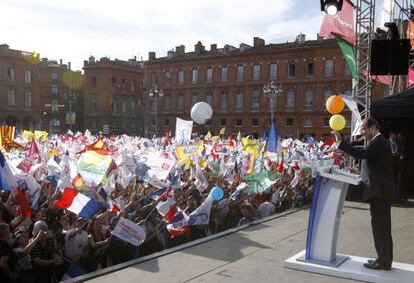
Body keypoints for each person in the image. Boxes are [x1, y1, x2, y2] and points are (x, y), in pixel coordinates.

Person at [332, 117, 396, 271]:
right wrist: (360, 172)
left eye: (363, 129)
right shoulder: (378, 142)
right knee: (383, 227)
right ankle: (385, 259)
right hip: (381, 192)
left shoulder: (378, 142)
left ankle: (383, 261)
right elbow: (374, 165)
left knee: (380, 227)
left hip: (380, 193)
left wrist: (341, 142)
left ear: (373, 127)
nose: (362, 133)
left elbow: (362, 154)